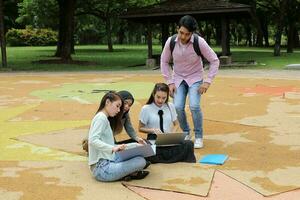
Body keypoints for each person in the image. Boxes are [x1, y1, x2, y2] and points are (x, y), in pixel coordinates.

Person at [160, 15, 220, 148]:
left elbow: (215, 60)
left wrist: (207, 81)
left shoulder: (200, 42)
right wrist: (169, 82)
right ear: (177, 29)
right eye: (181, 33)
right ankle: (186, 132)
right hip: (178, 78)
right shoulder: (171, 42)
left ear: (192, 33)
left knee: (194, 105)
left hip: (195, 78)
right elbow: (164, 61)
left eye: (187, 34)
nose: (183, 37)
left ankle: (198, 136)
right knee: (177, 107)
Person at [88, 91, 149, 182]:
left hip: (108, 159)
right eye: (117, 106)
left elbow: (128, 130)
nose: (119, 110)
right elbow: (92, 140)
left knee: (140, 157)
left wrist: (136, 145)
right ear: (107, 102)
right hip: (102, 169)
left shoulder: (103, 117)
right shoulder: (101, 118)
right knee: (141, 162)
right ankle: (129, 173)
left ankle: (127, 173)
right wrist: (113, 148)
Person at [139, 83, 196, 163]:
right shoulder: (146, 108)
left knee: (189, 144)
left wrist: (171, 134)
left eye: (164, 98)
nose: (160, 100)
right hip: (154, 140)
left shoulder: (170, 106)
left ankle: (161, 158)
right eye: (158, 97)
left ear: (167, 96)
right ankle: (172, 158)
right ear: (153, 94)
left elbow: (176, 124)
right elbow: (140, 128)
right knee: (144, 147)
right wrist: (152, 130)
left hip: (168, 140)